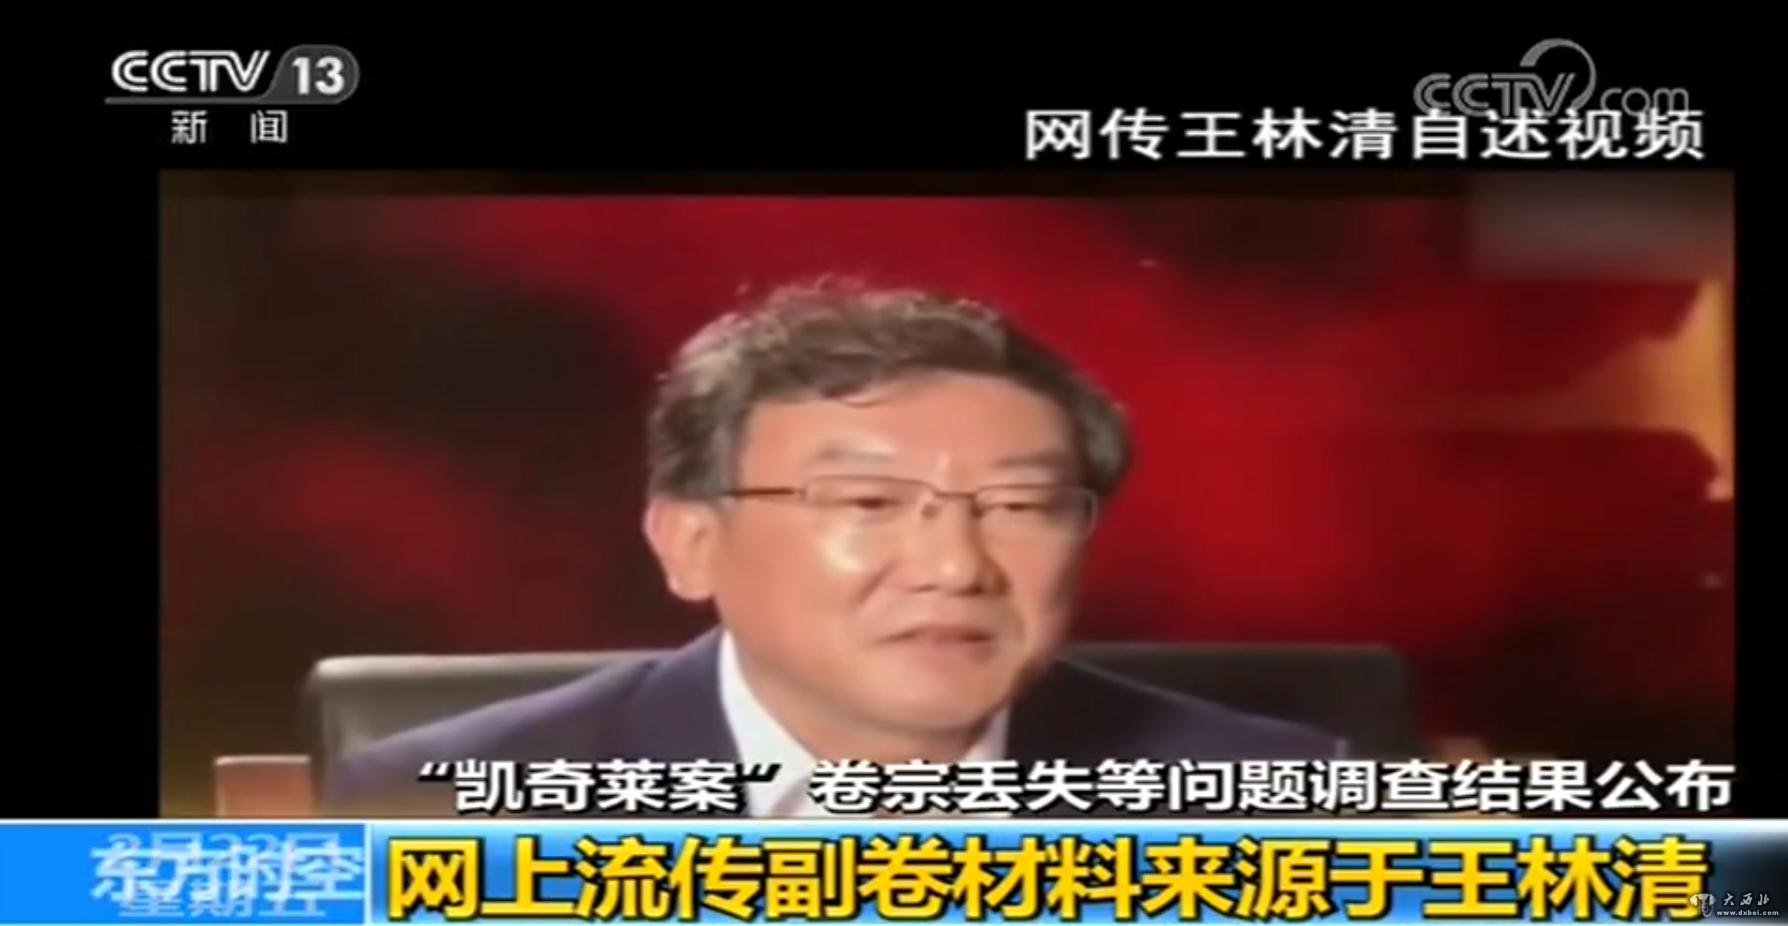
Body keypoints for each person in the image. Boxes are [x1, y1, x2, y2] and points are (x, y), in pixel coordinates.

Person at [322, 278, 1348, 816]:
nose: (956, 565)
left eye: (1021, 503)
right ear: (691, 542)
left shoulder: (1267, 793)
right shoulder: (446, 804)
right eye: (867, 500)